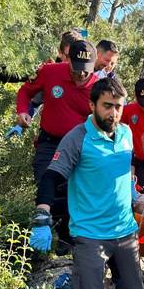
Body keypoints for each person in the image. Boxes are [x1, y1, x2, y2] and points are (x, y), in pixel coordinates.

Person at [29, 77, 144, 289]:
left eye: (119, 107)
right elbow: (51, 177)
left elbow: (125, 177)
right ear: (93, 105)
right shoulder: (77, 138)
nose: (114, 113)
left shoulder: (125, 134)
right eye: (107, 106)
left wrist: (137, 199)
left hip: (124, 230)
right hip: (89, 235)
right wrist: (42, 216)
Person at [16, 40, 99, 246]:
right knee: (45, 180)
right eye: (77, 68)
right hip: (49, 142)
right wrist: (23, 112)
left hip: (79, 148)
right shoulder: (50, 72)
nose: (81, 75)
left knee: (72, 192)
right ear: (67, 58)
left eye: (86, 70)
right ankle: (44, 228)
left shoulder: (98, 87)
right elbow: (25, 91)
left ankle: (66, 240)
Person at [3, 30, 84, 138]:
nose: (72, 62)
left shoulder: (89, 75)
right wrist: (23, 112)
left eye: (76, 57)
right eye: (69, 56)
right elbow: (27, 90)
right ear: (60, 53)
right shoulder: (50, 69)